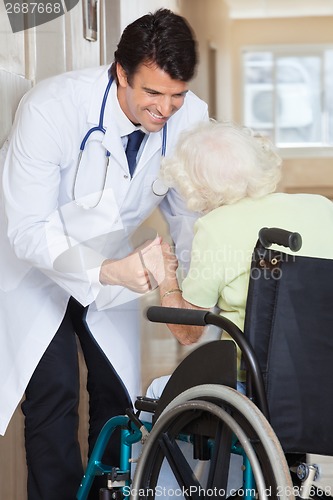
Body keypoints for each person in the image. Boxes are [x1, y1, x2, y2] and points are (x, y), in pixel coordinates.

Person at [0, 9, 208, 500]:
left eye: (176, 95)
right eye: (152, 94)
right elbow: (27, 231)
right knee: (54, 395)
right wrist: (109, 269)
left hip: (111, 262)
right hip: (35, 266)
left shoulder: (188, 117)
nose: (165, 110)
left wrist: (182, 289)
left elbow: (186, 213)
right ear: (121, 73)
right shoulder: (51, 108)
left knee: (118, 399)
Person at [148, 119, 333, 389]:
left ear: (195, 185)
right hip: (322, 376)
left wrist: (164, 275)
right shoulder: (321, 207)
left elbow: (189, 331)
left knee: (156, 390)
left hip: (254, 384)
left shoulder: (215, 228)